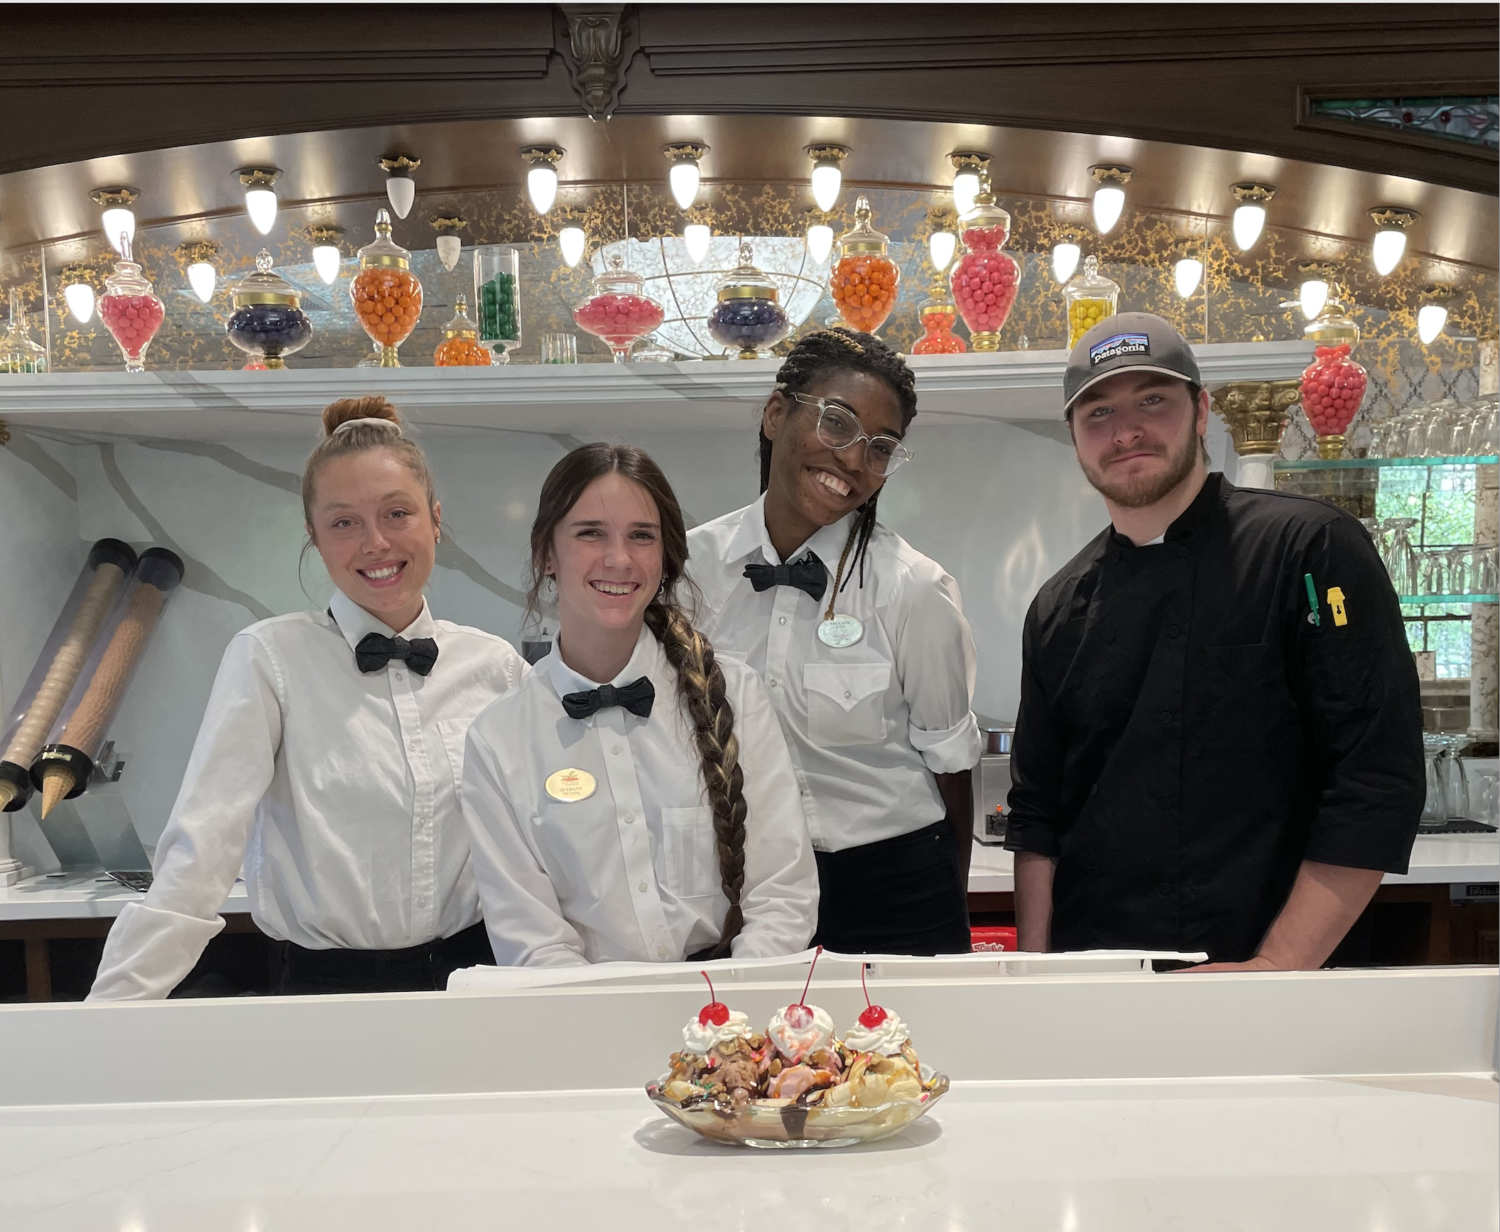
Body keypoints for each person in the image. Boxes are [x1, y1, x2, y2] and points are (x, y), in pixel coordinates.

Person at [1005, 312, 1423, 969]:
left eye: (1153, 401)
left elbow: (1375, 781)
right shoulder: (1057, 608)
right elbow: (1037, 816)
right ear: (1076, 437)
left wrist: (1273, 969)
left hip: (1272, 968)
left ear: (1201, 411)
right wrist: (1038, 976)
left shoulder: (1309, 551)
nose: (1127, 430)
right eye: (1099, 413)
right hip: (1099, 972)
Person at [89, 398, 528, 998]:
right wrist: (107, 1015)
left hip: (481, 984)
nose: (375, 542)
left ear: (435, 519)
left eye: (397, 513)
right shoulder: (269, 659)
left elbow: (542, 847)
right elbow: (202, 847)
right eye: (344, 522)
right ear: (314, 537)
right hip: (328, 992)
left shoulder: (497, 666)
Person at [460, 443, 818, 966]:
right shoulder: (498, 740)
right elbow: (533, 942)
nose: (619, 559)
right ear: (545, 555)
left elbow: (781, 894)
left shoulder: (738, 697)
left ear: (666, 557)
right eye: (590, 533)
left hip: (731, 1019)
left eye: (641, 536)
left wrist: (724, 1024)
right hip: (583, 1015)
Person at [687, 329, 982, 956]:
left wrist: (943, 911)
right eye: (838, 423)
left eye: (881, 447)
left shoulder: (915, 589)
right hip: (737, 885)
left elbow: (952, 769)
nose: (853, 459)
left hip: (893, 886)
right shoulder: (688, 572)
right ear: (775, 413)